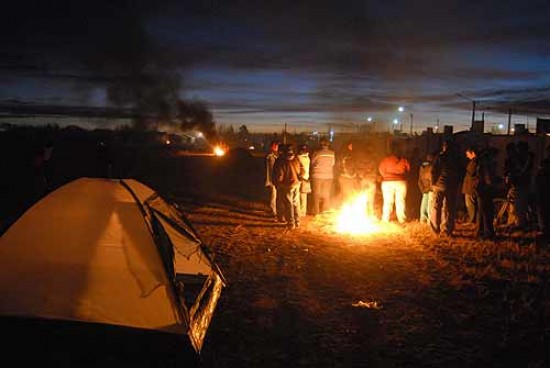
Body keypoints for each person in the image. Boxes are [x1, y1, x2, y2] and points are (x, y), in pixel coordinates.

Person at [430, 139, 461, 237]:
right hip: (452, 185)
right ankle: (447, 230)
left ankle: (435, 229)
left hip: (439, 185)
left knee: (436, 206)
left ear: (444, 147)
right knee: (449, 208)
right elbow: (461, 172)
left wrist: (433, 182)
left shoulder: (440, 157)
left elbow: (433, 170)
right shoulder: (457, 159)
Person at [378, 141, 410, 224]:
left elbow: (380, 170)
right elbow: (408, 170)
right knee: (400, 201)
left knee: (388, 201)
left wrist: (386, 176)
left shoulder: (385, 160)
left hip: (387, 182)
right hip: (401, 182)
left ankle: (385, 219)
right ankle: (402, 220)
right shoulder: (404, 160)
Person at [272, 144, 303, 230]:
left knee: (289, 204)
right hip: (297, 184)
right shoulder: (296, 159)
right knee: (296, 203)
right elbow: (302, 170)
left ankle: (291, 223)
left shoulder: (281, 161)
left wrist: (278, 183)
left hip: (287, 186)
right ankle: (297, 221)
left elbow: (279, 175)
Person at [310, 137, 335, 216]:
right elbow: (333, 164)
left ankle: (316, 211)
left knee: (316, 194)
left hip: (317, 176)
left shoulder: (316, 153)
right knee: (326, 193)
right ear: (328, 144)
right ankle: (325, 210)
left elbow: (312, 163)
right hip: (328, 176)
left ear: (320, 143)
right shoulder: (332, 153)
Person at [355, 145, 378, 219]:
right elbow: (375, 171)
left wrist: (362, 175)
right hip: (371, 181)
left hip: (364, 180)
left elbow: (358, 170)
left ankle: (363, 215)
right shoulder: (373, 160)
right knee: (371, 200)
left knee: (363, 198)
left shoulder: (361, 160)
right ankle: (371, 215)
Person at [535, 144, 550, 245]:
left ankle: (545, 234)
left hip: (544, 194)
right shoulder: (545, 164)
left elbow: (539, 178)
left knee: (544, 214)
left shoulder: (545, 164)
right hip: (544, 193)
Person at [462, 147, 479, 225]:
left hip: (470, 187)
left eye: (468, 154)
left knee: (470, 204)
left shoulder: (474, 162)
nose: (467, 156)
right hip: (470, 186)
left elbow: (470, 173)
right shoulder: (474, 161)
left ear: (473, 153)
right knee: (471, 204)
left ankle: (472, 220)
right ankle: (473, 219)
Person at [337, 140, 357, 206]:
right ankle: (344, 208)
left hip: (345, 177)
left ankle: (344, 208)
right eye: (351, 145)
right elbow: (348, 166)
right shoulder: (347, 155)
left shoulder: (344, 154)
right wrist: (352, 174)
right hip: (346, 178)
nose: (352, 147)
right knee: (347, 195)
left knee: (346, 194)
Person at [264, 140, 280, 221]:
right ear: (272, 146)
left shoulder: (275, 155)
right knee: (274, 195)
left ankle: (275, 210)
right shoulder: (270, 156)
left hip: (276, 179)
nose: (277, 147)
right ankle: (273, 211)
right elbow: (271, 168)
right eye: (275, 145)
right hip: (273, 179)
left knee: (275, 195)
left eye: (277, 145)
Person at [418, 152, 435, 224]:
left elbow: (420, 179)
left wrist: (422, 189)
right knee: (430, 205)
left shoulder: (422, 167)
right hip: (430, 188)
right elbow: (432, 178)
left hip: (424, 188)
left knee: (424, 204)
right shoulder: (432, 167)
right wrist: (431, 187)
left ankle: (423, 219)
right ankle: (429, 221)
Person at [296, 144, 311, 217]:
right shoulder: (308, 158)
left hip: (299, 179)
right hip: (306, 179)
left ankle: (298, 212)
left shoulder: (298, 158)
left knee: (298, 196)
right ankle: (303, 212)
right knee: (304, 197)